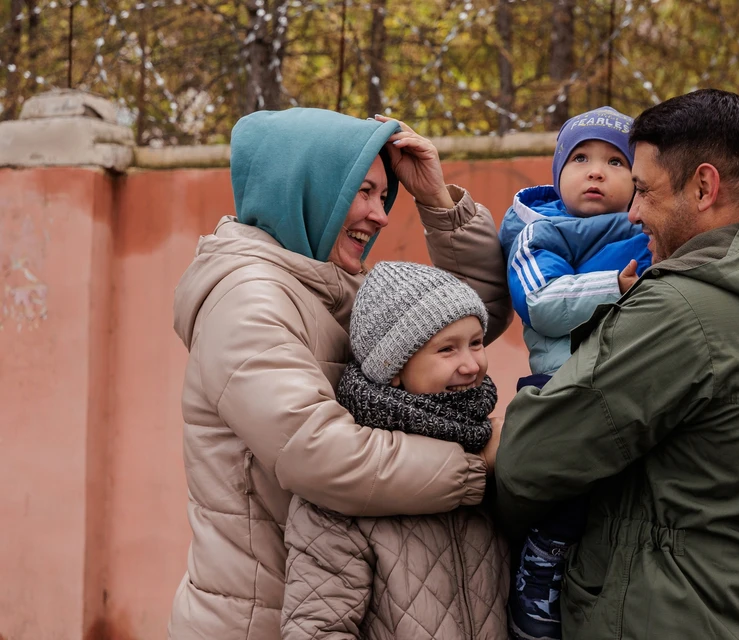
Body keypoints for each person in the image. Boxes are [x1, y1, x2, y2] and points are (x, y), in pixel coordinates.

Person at [494, 89, 739, 640]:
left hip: (660, 614)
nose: (634, 210)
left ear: (703, 186)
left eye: (642, 189)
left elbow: (530, 460)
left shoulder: (679, 309)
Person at [167, 108, 511, 640]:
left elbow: (463, 320)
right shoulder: (247, 299)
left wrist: (437, 203)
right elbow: (320, 453)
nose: (380, 215)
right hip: (257, 620)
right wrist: (475, 466)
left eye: (383, 196)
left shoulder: (325, 282)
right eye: (364, 192)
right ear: (306, 187)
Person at [282, 261, 510, 640]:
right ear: (394, 368)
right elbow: (318, 628)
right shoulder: (345, 489)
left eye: (476, 342)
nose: (471, 365)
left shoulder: (489, 446)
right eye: (447, 349)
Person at [497, 106, 650, 640]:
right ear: (558, 171)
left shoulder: (644, 229)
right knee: (560, 497)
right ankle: (539, 567)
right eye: (580, 158)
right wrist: (614, 287)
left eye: (615, 161)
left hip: (622, 382)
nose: (596, 171)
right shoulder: (540, 232)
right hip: (559, 384)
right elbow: (540, 301)